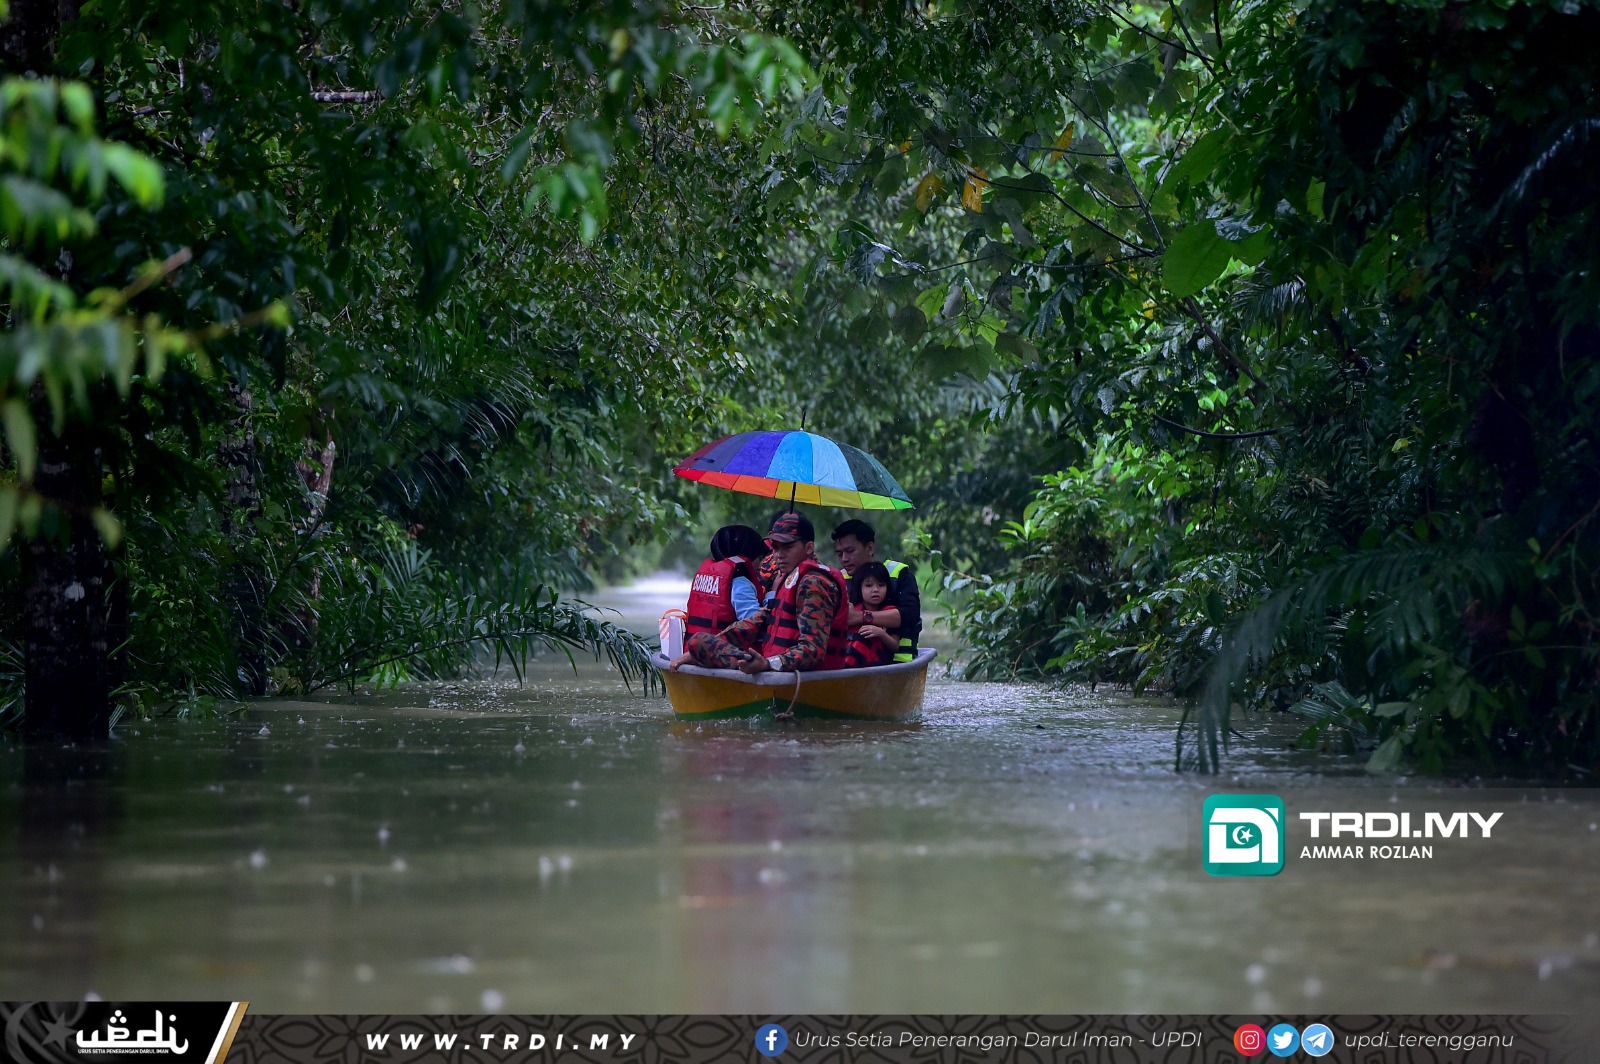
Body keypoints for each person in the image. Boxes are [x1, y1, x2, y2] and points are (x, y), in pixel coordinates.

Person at [670, 511, 851, 674]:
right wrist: (695, 653)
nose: (779, 555)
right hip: (774, 665)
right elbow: (756, 623)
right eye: (776, 547)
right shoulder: (788, 579)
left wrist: (768, 664)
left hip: (798, 672)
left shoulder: (814, 583)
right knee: (699, 642)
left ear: (809, 548)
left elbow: (813, 651)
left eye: (787, 547)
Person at [830, 518, 921, 662]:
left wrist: (861, 617)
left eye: (850, 551)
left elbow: (910, 615)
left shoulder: (898, 573)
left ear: (870, 548)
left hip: (898, 662)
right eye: (840, 554)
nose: (844, 559)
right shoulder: (837, 579)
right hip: (850, 660)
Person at [683, 525, 769, 637]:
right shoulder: (740, 583)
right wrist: (771, 596)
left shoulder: (709, 577)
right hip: (726, 651)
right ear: (748, 555)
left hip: (698, 649)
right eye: (759, 558)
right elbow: (756, 623)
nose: (761, 563)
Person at [844, 561, 899, 668]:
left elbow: (895, 646)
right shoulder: (851, 611)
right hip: (846, 666)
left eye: (881, 585)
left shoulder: (890, 613)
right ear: (859, 588)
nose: (875, 590)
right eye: (868, 585)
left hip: (876, 666)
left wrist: (880, 633)